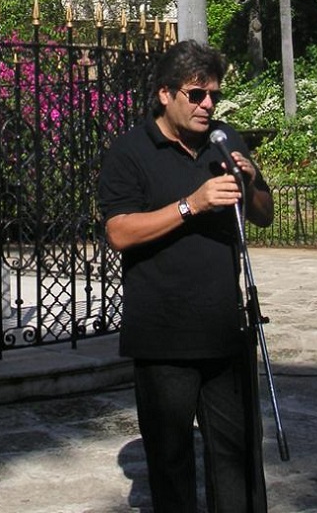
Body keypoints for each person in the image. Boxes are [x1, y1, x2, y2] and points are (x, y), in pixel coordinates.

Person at [99, 40, 273, 513]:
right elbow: (119, 231)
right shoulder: (130, 152)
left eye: (213, 94)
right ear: (165, 95)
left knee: (237, 456)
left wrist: (251, 181)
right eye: (196, 95)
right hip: (163, 336)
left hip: (225, 329)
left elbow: (264, 215)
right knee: (172, 462)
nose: (208, 105)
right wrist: (190, 205)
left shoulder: (224, 140)